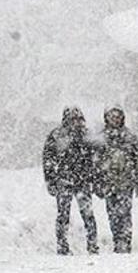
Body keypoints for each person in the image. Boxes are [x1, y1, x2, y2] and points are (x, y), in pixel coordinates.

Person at [42, 106, 99, 255]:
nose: (76, 121)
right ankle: (62, 246)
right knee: (63, 215)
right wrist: (50, 180)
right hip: (64, 181)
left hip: (82, 181)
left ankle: (92, 245)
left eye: (78, 118)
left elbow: (95, 159)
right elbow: (48, 159)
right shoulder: (57, 135)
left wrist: (94, 178)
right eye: (73, 118)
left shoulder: (86, 135)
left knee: (88, 214)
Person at [93, 106, 138, 253]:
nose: (115, 120)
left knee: (125, 213)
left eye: (118, 117)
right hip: (108, 183)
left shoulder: (130, 137)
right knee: (112, 215)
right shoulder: (101, 139)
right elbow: (95, 163)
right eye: (112, 117)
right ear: (106, 118)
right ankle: (117, 240)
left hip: (126, 183)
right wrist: (97, 183)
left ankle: (125, 243)